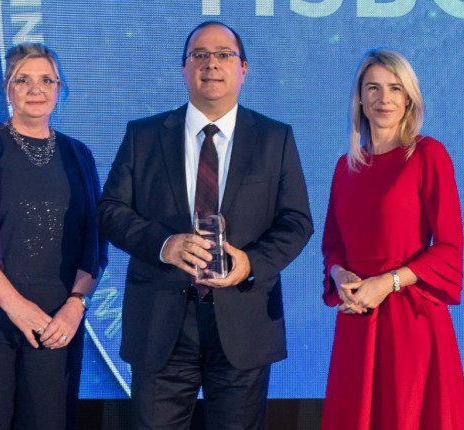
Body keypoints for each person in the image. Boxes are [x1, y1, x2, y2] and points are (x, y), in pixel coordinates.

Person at [98, 21, 313, 429]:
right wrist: (164, 245)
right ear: (183, 69)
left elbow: (297, 222)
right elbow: (110, 210)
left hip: (243, 320)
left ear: (243, 69)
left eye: (223, 55)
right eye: (199, 55)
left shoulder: (275, 138)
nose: (211, 63)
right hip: (160, 321)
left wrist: (250, 263)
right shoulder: (144, 135)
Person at [0, 42, 107, 430]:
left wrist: (75, 306)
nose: (36, 89)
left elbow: (96, 243)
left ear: (60, 89)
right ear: (7, 88)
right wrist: (15, 306)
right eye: (23, 80)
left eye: (47, 80)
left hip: (56, 325)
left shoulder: (79, 155)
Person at [320, 48, 464, 429]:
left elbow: (449, 249)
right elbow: (333, 245)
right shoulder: (345, 167)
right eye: (373, 88)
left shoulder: (428, 155)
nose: (383, 98)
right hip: (358, 318)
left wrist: (387, 283)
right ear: (360, 98)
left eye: (394, 88)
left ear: (408, 99)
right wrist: (340, 275)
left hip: (410, 320)